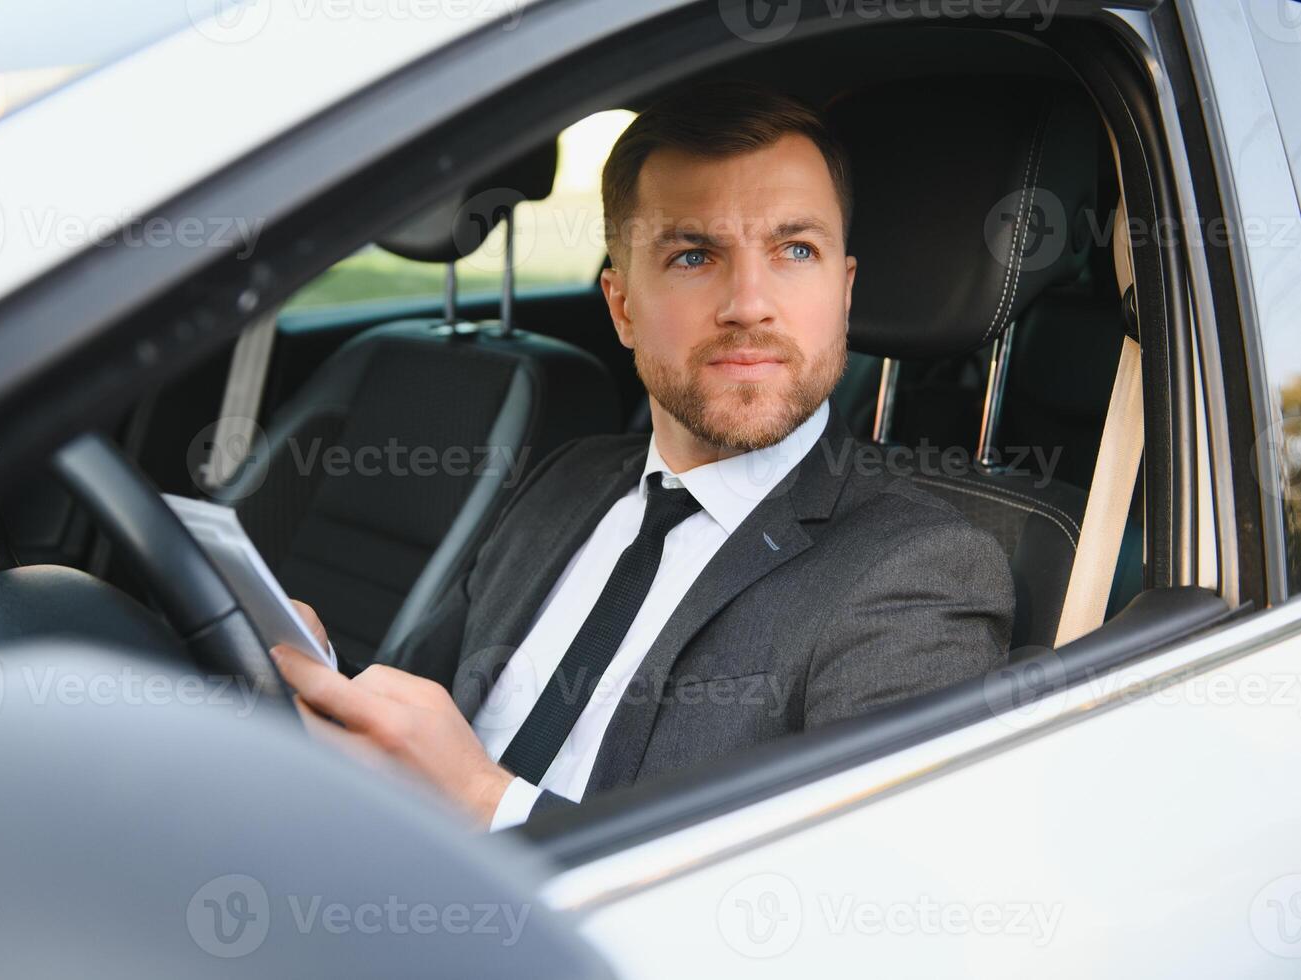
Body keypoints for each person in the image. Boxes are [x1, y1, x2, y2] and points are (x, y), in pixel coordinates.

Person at [267, 80, 1014, 831]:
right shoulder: (569, 476)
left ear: (843, 291)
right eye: (694, 255)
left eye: (795, 249)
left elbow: (842, 903)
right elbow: (423, 710)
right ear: (622, 307)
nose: (748, 303)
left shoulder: (920, 570)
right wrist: (323, 686)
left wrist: (483, 804)